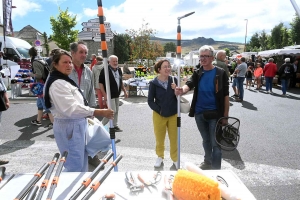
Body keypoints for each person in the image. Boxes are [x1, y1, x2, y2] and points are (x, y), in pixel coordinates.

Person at [43, 49, 114, 172]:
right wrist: (97, 111)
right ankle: (71, 189)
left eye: (70, 62)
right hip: (69, 126)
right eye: (65, 62)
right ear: (55, 64)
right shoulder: (57, 83)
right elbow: (71, 108)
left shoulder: (64, 80)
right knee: (74, 164)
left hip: (75, 124)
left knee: (81, 161)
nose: (69, 65)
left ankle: (78, 185)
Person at [175, 45, 229, 170]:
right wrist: (182, 90)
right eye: (201, 56)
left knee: (215, 143)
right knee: (206, 141)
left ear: (212, 58)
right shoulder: (198, 72)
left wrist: (225, 116)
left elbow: (226, 96)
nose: (203, 59)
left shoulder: (220, 73)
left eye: (206, 56)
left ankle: (216, 170)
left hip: (215, 114)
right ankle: (207, 162)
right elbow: (189, 84)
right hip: (199, 113)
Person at [69, 41, 100, 167]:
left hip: (85, 110)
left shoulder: (88, 71)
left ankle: (92, 156)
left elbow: (91, 91)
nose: (84, 55)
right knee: (73, 140)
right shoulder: (65, 70)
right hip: (69, 112)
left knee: (88, 134)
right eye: (81, 52)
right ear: (73, 53)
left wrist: (92, 109)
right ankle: (75, 162)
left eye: (85, 52)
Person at [147, 59, 178, 170]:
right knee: (160, 138)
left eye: (169, 66)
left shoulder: (174, 80)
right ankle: (160, 156)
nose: (167, 69)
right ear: (159, 70)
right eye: (165, 67)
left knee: (174, 138)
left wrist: (176, 90)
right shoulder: (154, 83)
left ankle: (175, 158)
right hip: (159, 115)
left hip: (174, 114)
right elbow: (150, 101)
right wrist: (158, 110)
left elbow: (179, 97)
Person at [99, 55, 128, 131]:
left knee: (117, 110)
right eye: (113, 61)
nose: (115, 63)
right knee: (112, 111)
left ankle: (115, 125)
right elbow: (100, 83)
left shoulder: (118, 69)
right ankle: (100, 125)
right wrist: (104, 95)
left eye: (116, 61)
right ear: (109, 62)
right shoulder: (105, 70)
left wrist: (124, 91)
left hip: (117, 93)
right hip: (109, 94)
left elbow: (120, 81)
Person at [29, 47, 54, 127]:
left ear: (30, 54)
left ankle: (53, 123)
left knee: (45, 104)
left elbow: (39, 75)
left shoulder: (35, 62)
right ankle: (38, 120)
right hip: (45, 84)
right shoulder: (41, 60)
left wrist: (31, 75)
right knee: (39, 104)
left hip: (41, 86)